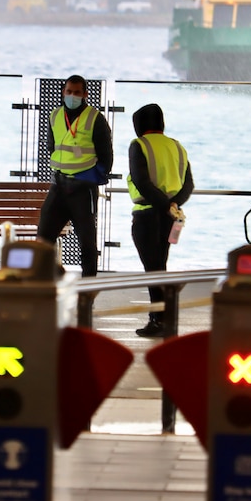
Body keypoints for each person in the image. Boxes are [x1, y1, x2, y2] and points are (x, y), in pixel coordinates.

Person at [128, 103, 194, 337]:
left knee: (153, 269)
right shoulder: (177, 147)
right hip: (170, 217)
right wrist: (172, 205)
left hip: (146, 214)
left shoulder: (139, 145)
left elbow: (141, 181)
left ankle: (160, 319)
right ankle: (163, 318)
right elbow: (189, 185)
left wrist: (163, 205)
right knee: (159, 265)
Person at [37, 75, 113, 277]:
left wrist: (92, 177)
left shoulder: (95, 118)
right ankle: (42, 279)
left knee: (87, 242)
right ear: (63, 92)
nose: (72, 96)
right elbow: (51, 147)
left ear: (85, 94)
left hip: (83, 188)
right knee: (43, 237)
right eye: (69, 91)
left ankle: (88, 287)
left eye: (77, 92)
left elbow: (106, 156)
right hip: (59, 185)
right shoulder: (55, 115)